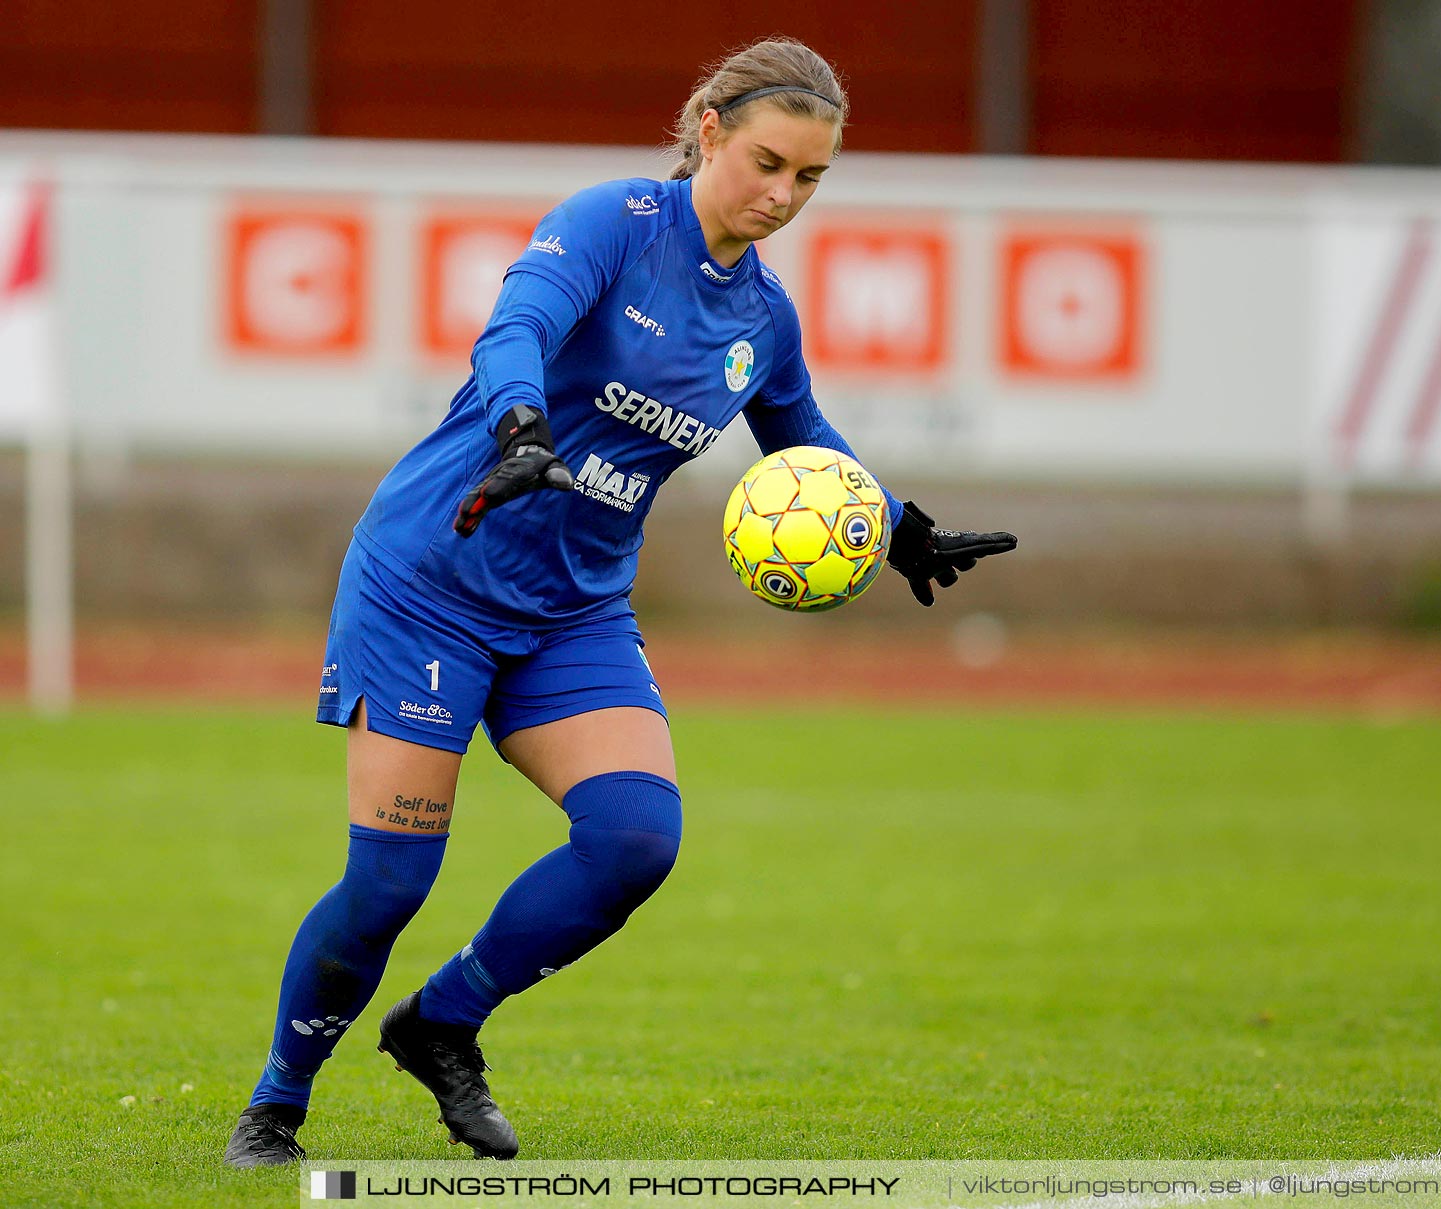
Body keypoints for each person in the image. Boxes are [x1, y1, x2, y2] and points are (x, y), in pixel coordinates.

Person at [223, 37, 1017, 1167]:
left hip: (574, 611)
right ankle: (277, 1104)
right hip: (431, 583)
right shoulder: (612, 222)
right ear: (709, 133)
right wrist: (520, 425)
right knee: (390, 881)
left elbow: (802, 439)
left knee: (636, 838)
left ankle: (441, 1024)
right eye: (767, 162)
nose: (783, 195)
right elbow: (517, 329)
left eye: (810, 178)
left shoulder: (762, 318)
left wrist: (897, 526)